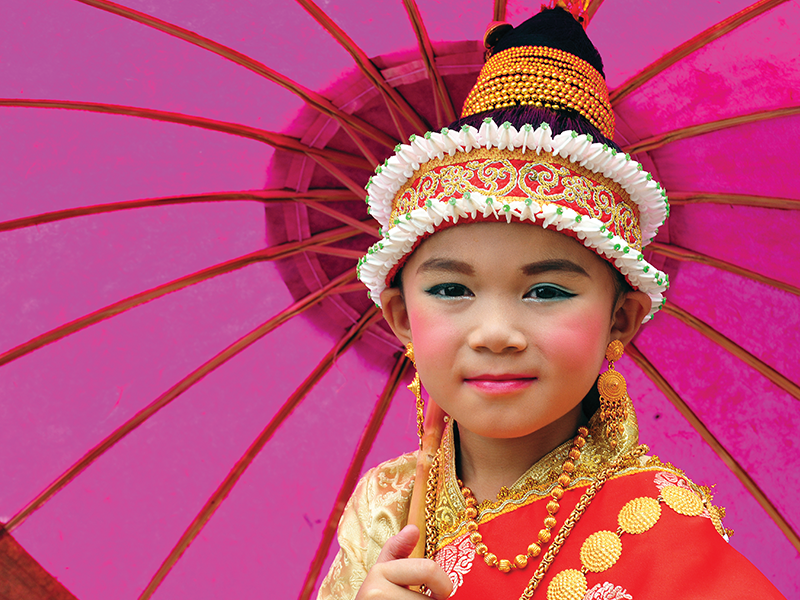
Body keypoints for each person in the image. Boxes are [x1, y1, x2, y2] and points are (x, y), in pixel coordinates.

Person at [317, 5, 787, 600]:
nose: (493, 332)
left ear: (622, 318)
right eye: (451, 289)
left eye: (546, 291)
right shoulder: (387, 508)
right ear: (402, 315)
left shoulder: (662, 540)